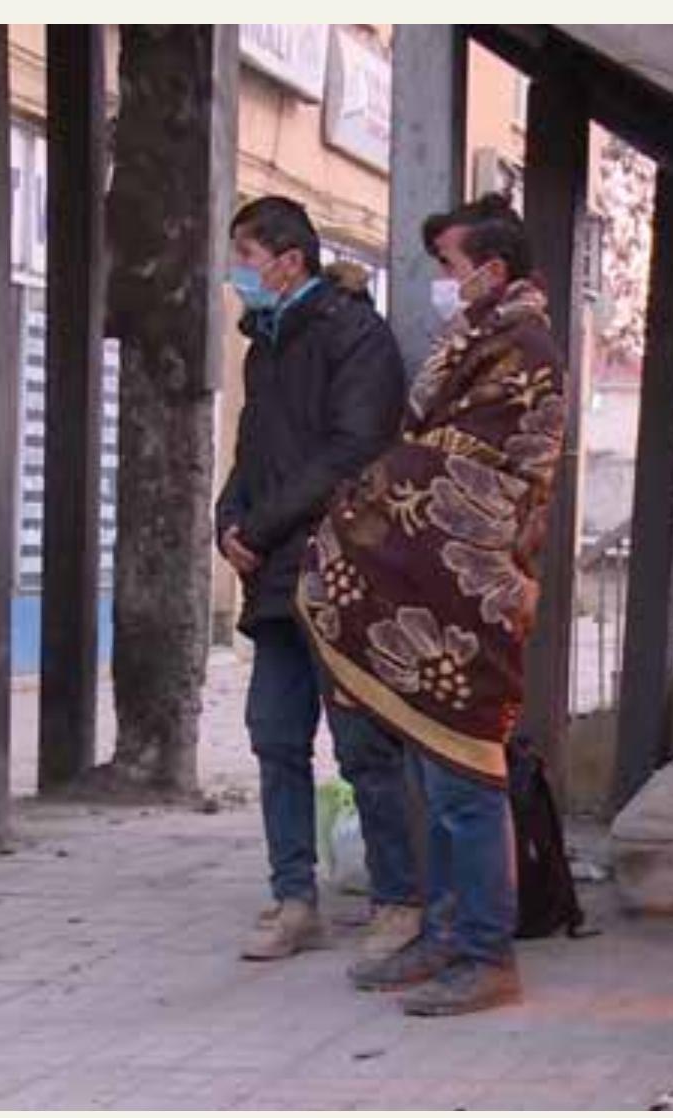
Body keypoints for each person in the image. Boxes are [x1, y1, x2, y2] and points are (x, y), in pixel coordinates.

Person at [294, 192, 565, 1016]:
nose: (441, 282)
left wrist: (369, 497)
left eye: (448, 265)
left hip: (469, 590)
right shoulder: (480, 337)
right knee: (432, 768)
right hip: (434, 593)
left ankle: (485, 951)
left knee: (465, 779)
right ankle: (446, 935)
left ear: (491, 269)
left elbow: (474, 468)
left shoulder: (522, 346)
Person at [214, 195, 422, 963]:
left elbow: (352, 450)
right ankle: (293, 899)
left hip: (341, 572)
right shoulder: (264, 344)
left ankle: (398, 900)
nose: (238, 271)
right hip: (272, 579)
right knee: (274, 738)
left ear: (287, 260)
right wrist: (226, 521)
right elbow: (250, 449)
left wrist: (257, 526)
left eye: (245, 253)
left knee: (363, 746)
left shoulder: (353, 335)